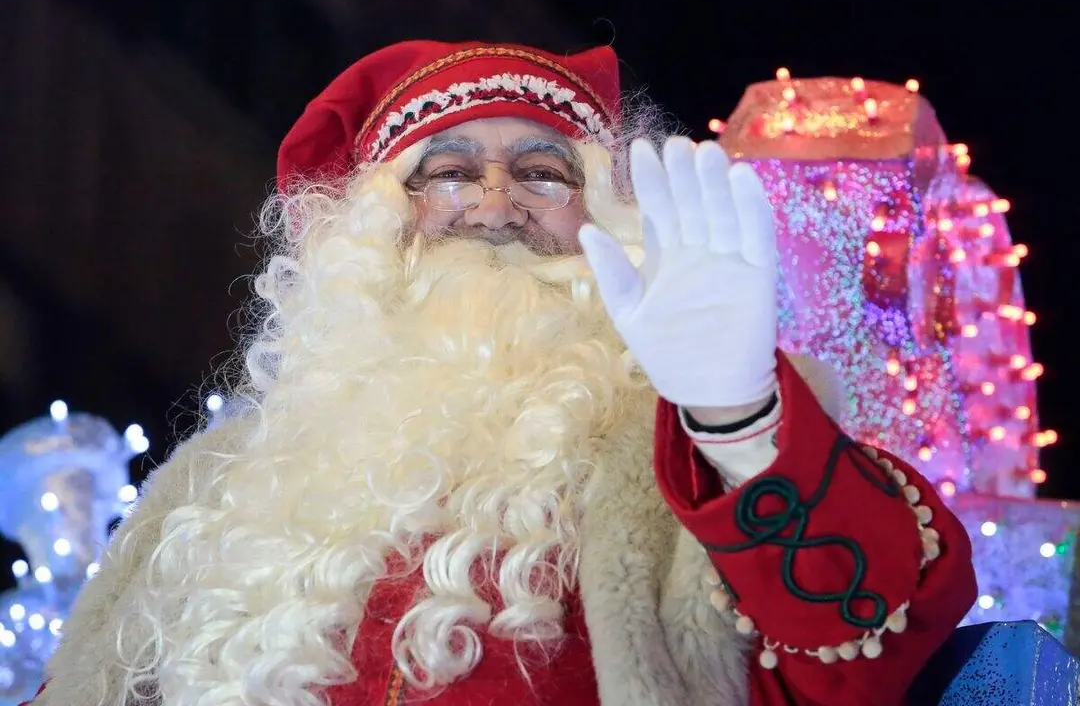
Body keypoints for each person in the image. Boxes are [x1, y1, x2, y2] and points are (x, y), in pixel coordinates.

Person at [29, 40, 976, 706]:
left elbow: (873, 651)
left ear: (602, 217)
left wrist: (735, 417)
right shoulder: (221, 482)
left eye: (543, 172)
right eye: (447, 170)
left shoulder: (691, 443)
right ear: (371, 231)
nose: (494, 201)